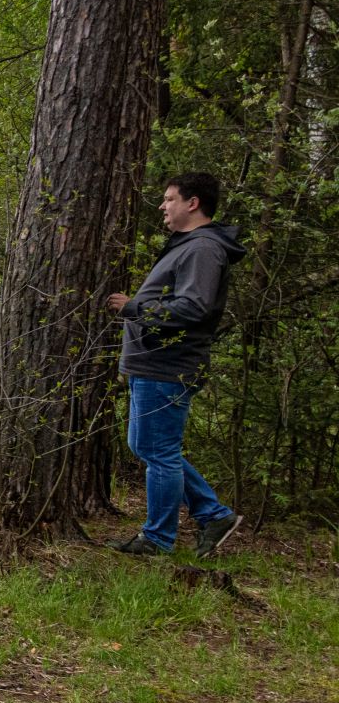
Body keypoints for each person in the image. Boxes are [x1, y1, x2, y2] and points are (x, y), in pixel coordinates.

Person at [104, 171, 246, 557]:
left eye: (169, 199)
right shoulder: (189, 245)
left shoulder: (202, 249)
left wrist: (135, 307)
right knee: (148, 446)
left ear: (193, 203)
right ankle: (213, 514)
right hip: (153, 364)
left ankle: (158, 538)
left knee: (159, 452)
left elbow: (193, 306)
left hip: (168, 365)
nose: (163, 206)